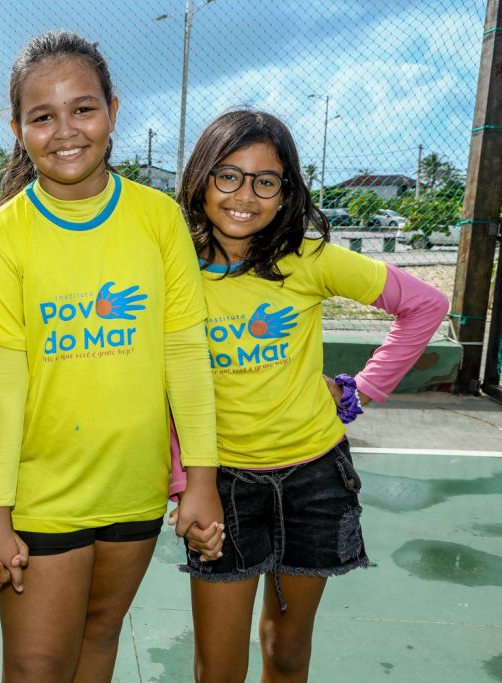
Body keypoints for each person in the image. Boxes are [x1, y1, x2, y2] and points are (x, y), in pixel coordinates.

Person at [0, 30, 222, 681]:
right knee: (36, 667)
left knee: (100, 639)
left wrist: (203, 480)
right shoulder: (2, 239)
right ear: (17, 127)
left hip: (132, 495)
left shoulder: (158, 219)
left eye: (82, 108)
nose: (64, 130)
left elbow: (186, 355)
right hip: (41, 499)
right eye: (41, 116)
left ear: (113, 107)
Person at [178, 109, 449, 683]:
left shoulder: (307, 258)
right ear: (200, 178)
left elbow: (426, 305)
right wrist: (184, 480)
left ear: (286, 192)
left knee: (286, 651)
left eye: (266, 180)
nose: (244, 195)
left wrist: (363, 390)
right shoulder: (170, 267)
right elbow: (158, 383)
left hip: (314, 480)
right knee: (218, 668)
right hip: (222, 484)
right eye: (228, 175)